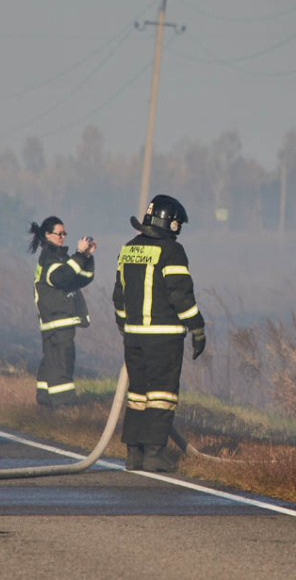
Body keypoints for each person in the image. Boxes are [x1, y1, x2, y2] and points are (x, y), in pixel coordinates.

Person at [113, 194, 206, 472]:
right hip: (163, 336)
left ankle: (134, 453)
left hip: (133, 335)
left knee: (138, 393)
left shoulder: (128, 248)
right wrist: (197, 327)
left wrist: (123, 325)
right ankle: (154, 453)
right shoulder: (171, 251)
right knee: (161, 393)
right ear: (172, 224)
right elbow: (180, 293)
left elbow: (119, 295)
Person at [28, 216, 96, 408]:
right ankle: (63, 405)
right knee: (62, 362)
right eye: (59, 233)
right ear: (48, 235)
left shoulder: (59, 256)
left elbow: (80, 279)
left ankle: (45, 402)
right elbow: (61, 278)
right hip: (58, 320)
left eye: (64, 233)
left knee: (52, 360)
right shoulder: (50, 257)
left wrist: (86, 256)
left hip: (58, 321)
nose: (63, 237)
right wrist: (79, 254)